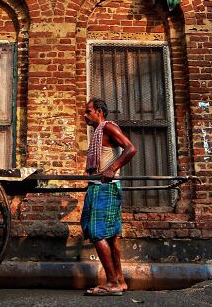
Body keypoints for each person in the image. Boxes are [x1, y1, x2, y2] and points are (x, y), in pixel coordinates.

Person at [81, 97, 137, 296]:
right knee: (112, 236)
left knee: (98, 233)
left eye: (88, 111)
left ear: (99, 111)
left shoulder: (107, 127)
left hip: (105, 188)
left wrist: (112, 168)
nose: (85, 115)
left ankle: (112, 282)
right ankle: (120, 280)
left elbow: (131, 148)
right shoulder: (98, 132)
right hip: (99, 186)